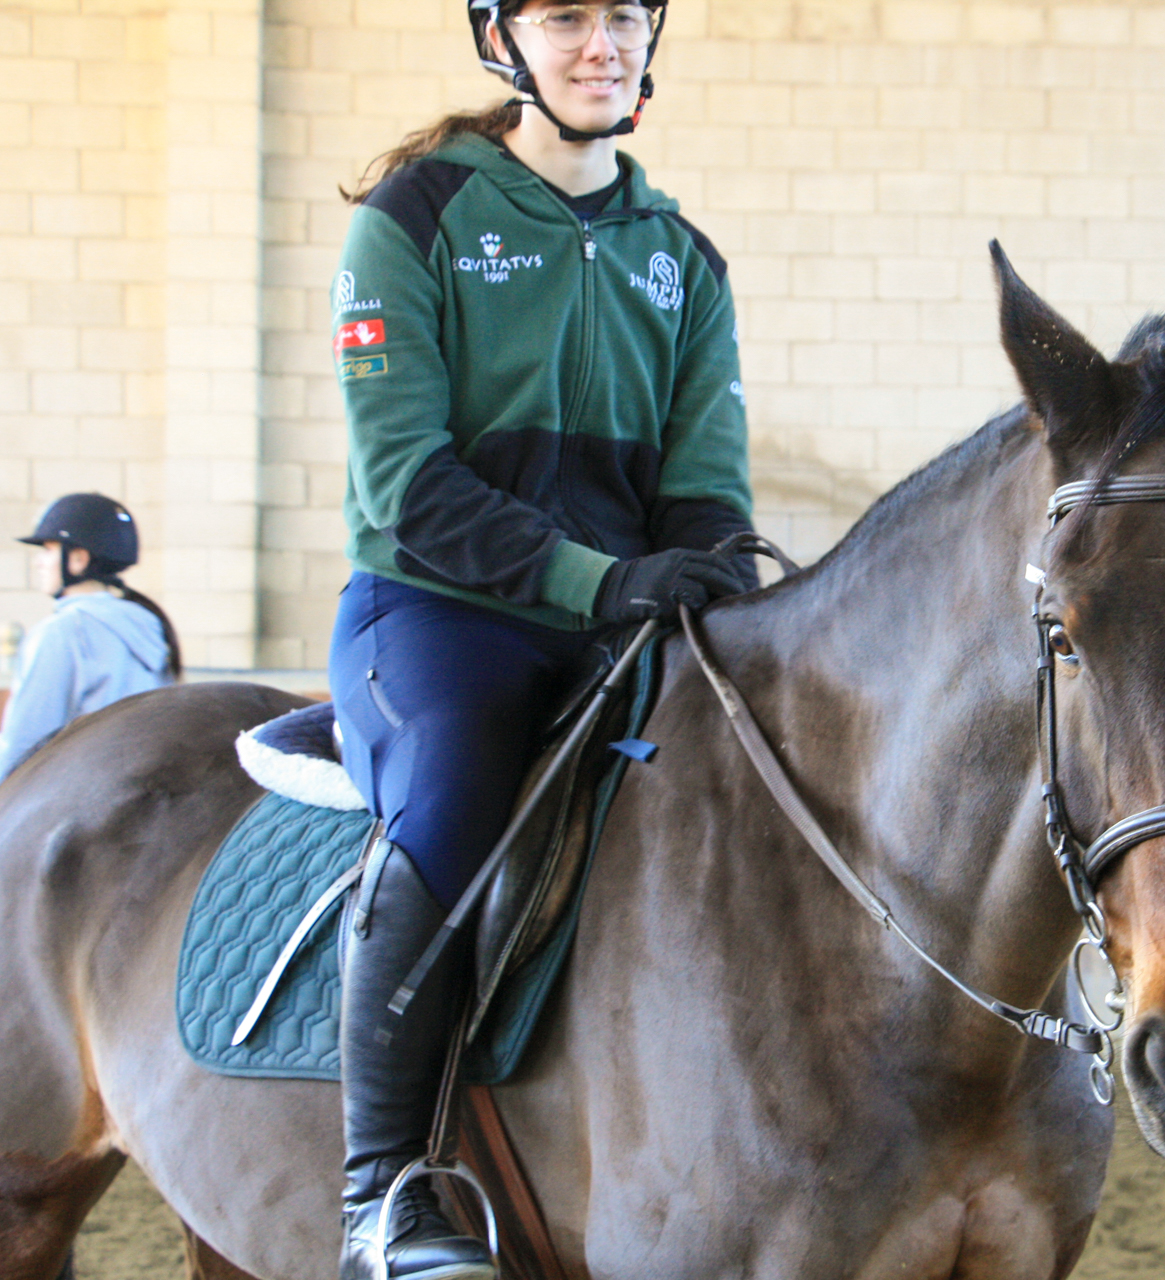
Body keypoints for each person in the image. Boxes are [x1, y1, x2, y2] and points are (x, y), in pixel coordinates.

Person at [327, 2, 756, 1277]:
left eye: (625, 14)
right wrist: (600, 576)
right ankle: (382, 1195)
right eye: (566, 15)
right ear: (503, 37)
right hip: (441, 616)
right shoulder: (412, 221)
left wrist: (718, 581)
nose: (602, 42)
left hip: (623, 620)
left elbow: (707, 490)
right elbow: (408, 481)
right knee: (459, 793)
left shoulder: (685, 258)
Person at [0, 493, 181, 781]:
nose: (39, 563)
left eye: (47, 550)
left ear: (78, 558)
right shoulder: (150, 625)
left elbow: (24, 740)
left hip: (74, 798)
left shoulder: (61, 631)